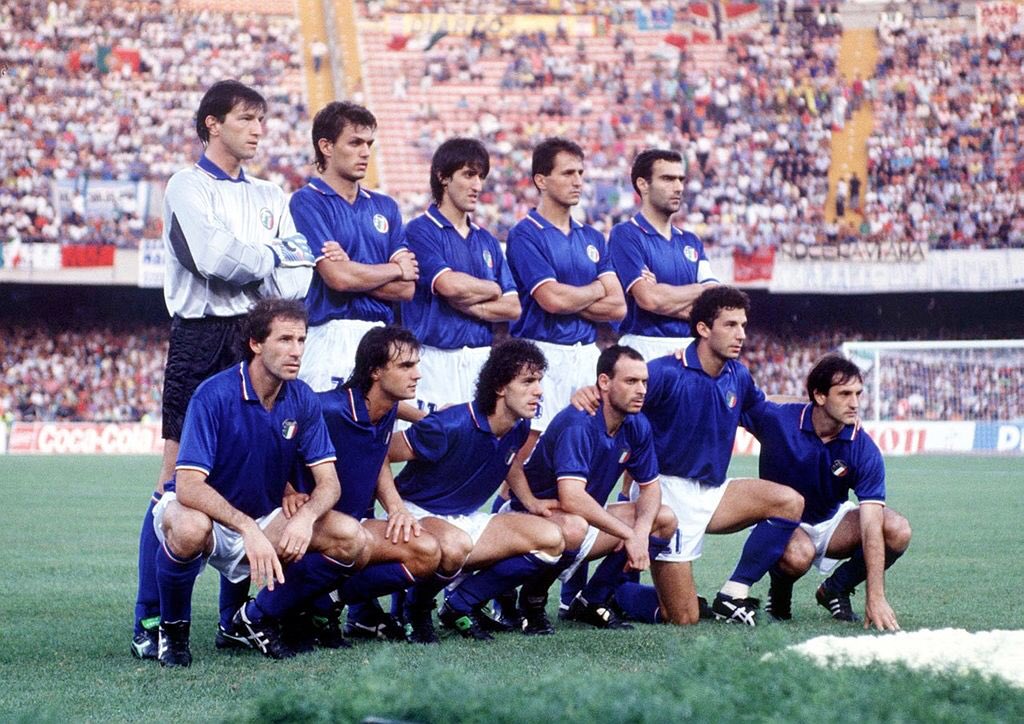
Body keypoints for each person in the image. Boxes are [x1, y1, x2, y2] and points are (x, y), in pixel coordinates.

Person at [132, 79, 316, 661]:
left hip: (254, 338)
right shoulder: (186, 186)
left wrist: (258, 262)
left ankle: (234, 619)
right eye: (246, 118)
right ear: (212, 123)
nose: (258, 129)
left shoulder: (271, 194)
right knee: (173, 482)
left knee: (256, 476)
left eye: (262, 119)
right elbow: (211, 260)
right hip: (202, 337)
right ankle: (151, 619)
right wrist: (269, 258)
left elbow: (300, 275)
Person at [152, 298, 368, 666]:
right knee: (190, 527)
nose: (296, 351)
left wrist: (305, 517)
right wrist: (244, 526)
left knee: (353, 539)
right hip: (209, 518)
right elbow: (186, 485)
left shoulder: (302, 398)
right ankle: (172, 630)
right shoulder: (213, 394)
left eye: (301, 340)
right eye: (285, 340)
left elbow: (329, 484)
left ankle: (252, 619)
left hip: (263, 519)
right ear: (256, 343)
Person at [573, 286, 804, 626]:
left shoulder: (737, 375)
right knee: (683, 617)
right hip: (667, 495)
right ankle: (612, 592)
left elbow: (766, 413)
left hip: (713, 492)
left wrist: (813, 410)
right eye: (730, 325)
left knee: (789, 502)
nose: (741, 334)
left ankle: (733, 593)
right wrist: (588, 394)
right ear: (703, 329)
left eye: (743, 325)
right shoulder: (665, 373)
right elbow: (618, 397)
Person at [388, 339, 572, 643]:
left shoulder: (519, 426)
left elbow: (510, 460)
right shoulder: (449, 425)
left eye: (539, 381)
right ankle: (415, 608)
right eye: (528, 381)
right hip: (419, 515)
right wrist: (396, 509)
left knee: (552, 539)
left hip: (466, 517)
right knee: (455, 545)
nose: (538, 390)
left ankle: (460, 603)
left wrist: (530, 501)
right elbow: (381, 454)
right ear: (500, 387)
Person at [287, 326, 441, 644]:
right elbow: (270, 441)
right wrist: (286, 491)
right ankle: (297, 606)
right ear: (375, 372)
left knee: (427, 552)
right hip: (310, 528)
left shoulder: (387, 408)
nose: (418, 375)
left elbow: (379, 454)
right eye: (406, 366)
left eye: (416, 364)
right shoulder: (327, 408)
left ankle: (333, 603)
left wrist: (396, 508)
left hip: (354, 529)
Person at [508, 345, 678, 632]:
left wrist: (639, 532)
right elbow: (571, 498)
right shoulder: (579, 422)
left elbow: (651, 488)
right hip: (531, 516)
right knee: (574, 526)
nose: (641, 390)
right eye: (631, 381)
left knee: (664, 519)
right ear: (604, 382)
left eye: (644, 382)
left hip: (578, 521)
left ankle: (591, 600)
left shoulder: (637, 425)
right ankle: (530, 601)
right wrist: (629, 534)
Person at [743, 354, 911, 631]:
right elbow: (736, 408)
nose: (855, 403)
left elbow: (871, 525)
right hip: (784, 522)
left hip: (831, 520)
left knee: (897, 529)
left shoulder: (862, 446)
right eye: (844, 394)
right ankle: (780, 594)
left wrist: (876, 596)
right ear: (820, 396)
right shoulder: (778, 420)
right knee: (798, 555)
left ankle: (836, 588)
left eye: (858, 393)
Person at [290, 101, 419, 393]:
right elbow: (337, 278)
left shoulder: (385, 207)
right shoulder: (306, 202)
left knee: (379, 437)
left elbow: (407, 289)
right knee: (325, 435)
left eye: (369, 144)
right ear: (326, 146)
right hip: (329, 337)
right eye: (355, 142)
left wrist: (351, 271)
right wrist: (393, 269)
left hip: (381, 338)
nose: (365, 152)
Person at [505, 137, 625, 447]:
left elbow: (617, 306)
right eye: (568, 173)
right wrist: (596, 288)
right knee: (531, 450)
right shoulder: (525, 233)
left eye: (581, 173)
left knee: (584, 447)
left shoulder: (593, 237)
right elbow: (551, 300)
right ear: (541, 180)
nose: (577, 181)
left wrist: (569, 297)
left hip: (585, 353)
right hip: (541, 352)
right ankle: (511, 499)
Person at [401, 137, 520, 414]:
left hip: (480, 359)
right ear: (443, 177)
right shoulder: (420, 230)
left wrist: (472, 303)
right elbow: (449, 285)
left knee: (476, 449)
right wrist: (492, 289)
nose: (477, 185)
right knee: (425, 448)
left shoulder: (487, 241)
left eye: (481, 176)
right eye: (468, 174)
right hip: (433, 359)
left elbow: (513, 307)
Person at [609, 149, 718, 361]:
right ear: (643, 184)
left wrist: (661, 294)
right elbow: (649, 299)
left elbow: (714, 303)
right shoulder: (625, 235)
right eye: (668, 179)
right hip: (643, 349)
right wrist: (699, 291)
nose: (678, 187)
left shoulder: (691, 241)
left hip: (691, 348)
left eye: (681, 179)